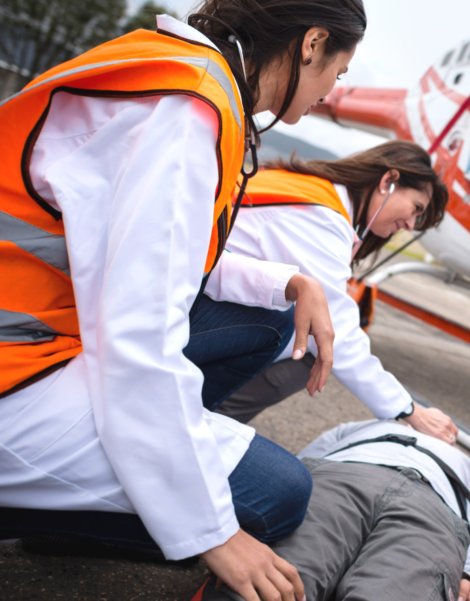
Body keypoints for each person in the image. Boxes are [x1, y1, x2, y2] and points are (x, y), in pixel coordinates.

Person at [0, 2, 366, 600]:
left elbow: (160, 256)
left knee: (271, 317)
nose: (332, 89)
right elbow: (136, 338)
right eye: (339, 70)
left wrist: (290, 283)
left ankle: (137, 471)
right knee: (276, 496)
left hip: (43, 331)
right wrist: (210, 527)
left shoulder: (187, 76)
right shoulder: (188, 110)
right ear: (311, 44)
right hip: (16, 368)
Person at [214, 141, 460, 443]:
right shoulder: (322, 217)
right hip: (188, 308)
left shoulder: (313, 190)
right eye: (416, 209)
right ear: (388, 182)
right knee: (314, 345)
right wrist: (409, 410)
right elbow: (336, 329)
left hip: (190, 292)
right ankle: (209, 422)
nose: (410, 224)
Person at [198, 419, 470, 601]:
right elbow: (296, 467)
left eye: (448, 428)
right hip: (343, 476)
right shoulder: (372, 425)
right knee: (277, 580)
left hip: (433, 503)